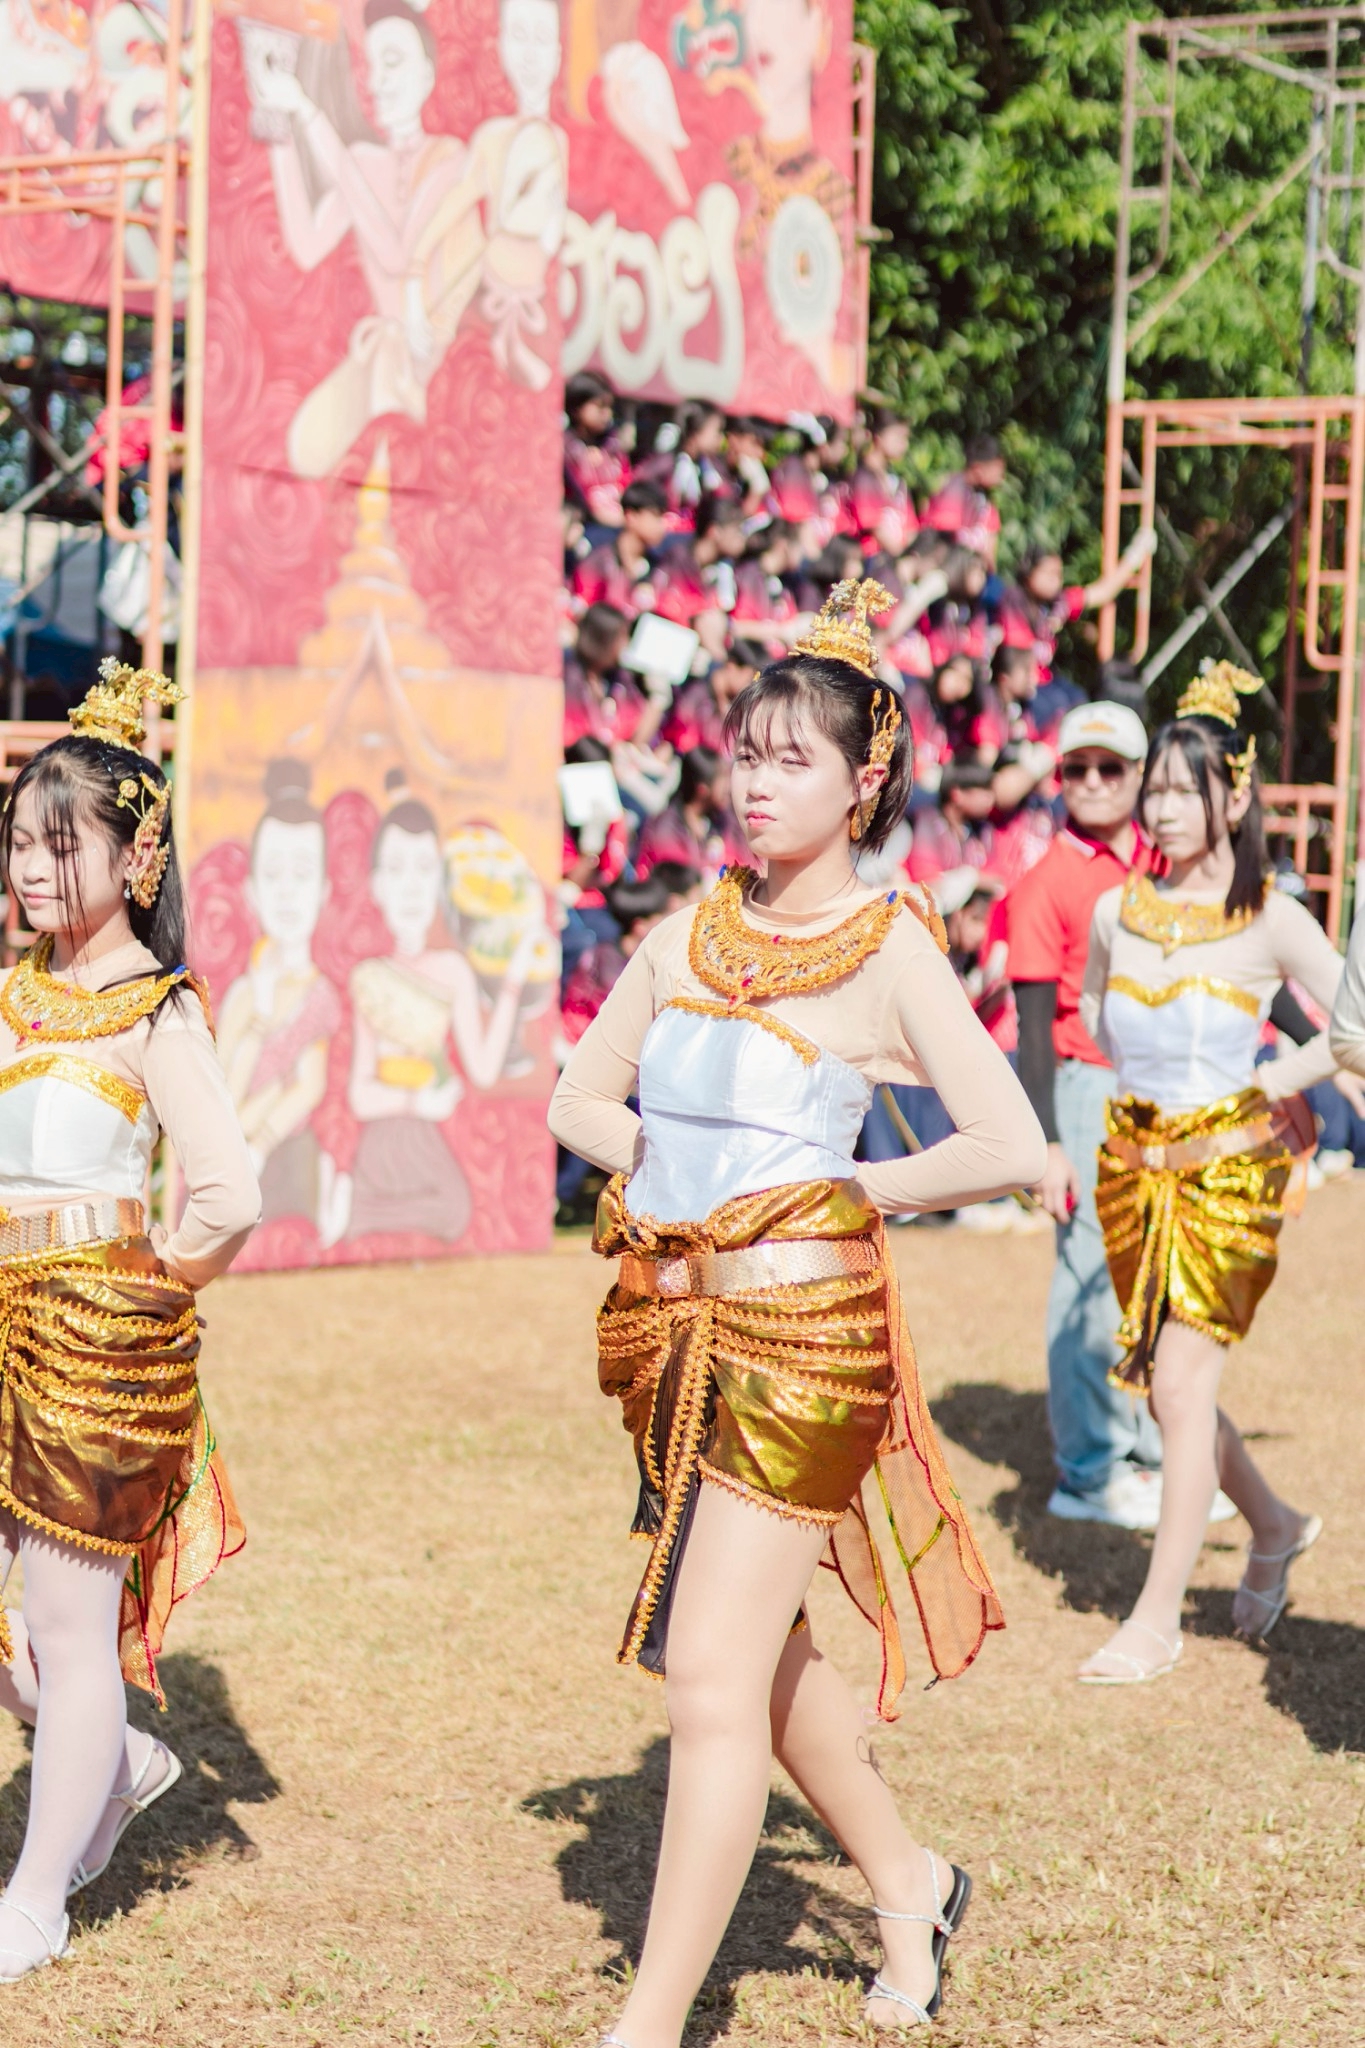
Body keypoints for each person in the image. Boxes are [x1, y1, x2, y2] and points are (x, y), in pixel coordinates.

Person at [549, 580, 1045, 2043]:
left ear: (863, 782)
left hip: (810, 1345)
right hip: (677, 1337)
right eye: (745, 753)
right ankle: (909, 1880)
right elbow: (580, 1097)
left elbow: (1009, 1142)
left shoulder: (889, 946)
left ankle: (649, 2025)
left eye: (792, 759)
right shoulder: (683, 933)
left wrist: (835, 1189)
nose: (755, 782)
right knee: (754, 1649)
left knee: (705, 1670)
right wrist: (674, 1173)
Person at [0, 662, 259, 1978]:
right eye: (19, 842)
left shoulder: (156, 1010)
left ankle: (37, 1896)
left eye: (61, 845)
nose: (31, 869)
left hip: (91, 1343)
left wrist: (151, 1293)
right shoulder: (11, 991)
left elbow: (228, 1191)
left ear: (134, 857)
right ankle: (117, 1762)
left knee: (65, 1625)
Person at [1076, 665, 1341, 1681]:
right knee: (1165, 1391)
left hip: (1229, 1176)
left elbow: (1354, 1025)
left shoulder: (1270, 915)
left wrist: (1279, 1073)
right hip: (1132, 1173)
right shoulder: (1117, 910)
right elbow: (1095, 1013)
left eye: (1186, 789)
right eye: (1155, 788)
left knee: (1182, 1384)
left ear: (1234, 798)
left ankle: (1155, 1619)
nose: (1163, 807)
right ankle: (1272, 1524)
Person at [1006, 701, 1168, 1525]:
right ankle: (1087, 1472)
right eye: (1078, 768)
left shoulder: (1164, 862)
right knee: (1089, 1272)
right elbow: (1033, 1028)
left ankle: (1147, 1449)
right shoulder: (1046, 881)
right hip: (1084, 1088)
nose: (1094, 782)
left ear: (1139, 777)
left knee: (1154, 1273)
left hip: (1158, 1088)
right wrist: (1045, 1142)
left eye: (1111, 767)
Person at [217, 761, 345, 1236]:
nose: (288, 892)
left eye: (302, 874)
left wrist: (262, 1145)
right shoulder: (243, 992)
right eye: (274, 874)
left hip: (287, 1154)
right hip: (234, 1152)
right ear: (252, 891)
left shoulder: (319, 994)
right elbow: (224, 1084)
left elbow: (308, 1087)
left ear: (324, 890)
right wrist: (262, 1012)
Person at [996, 528, 1157, 686]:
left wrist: (1135, 555)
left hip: (1048, 681)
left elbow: (1103, 592)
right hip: (1026, 685)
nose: (1055, 581)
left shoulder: (1058, 602)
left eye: (1059, 575)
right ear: (1029, 572)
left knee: (1078, 695)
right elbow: (1017, 659)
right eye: (1049, 573)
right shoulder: (1014, 602)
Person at [570, 480, 669, 619]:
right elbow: (581, 612)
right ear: (631, 516)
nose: (663, 525)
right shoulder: (599, 563)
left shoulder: (658, 568)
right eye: (656, 516)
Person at [925, 435, 1006, 570]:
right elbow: (945, 536)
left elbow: (990, 558)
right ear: (978, 468)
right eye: (998, 468)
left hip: (971, 570)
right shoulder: (952, 488)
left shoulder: (987, 505)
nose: (1002, 475)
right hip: (942, 565)